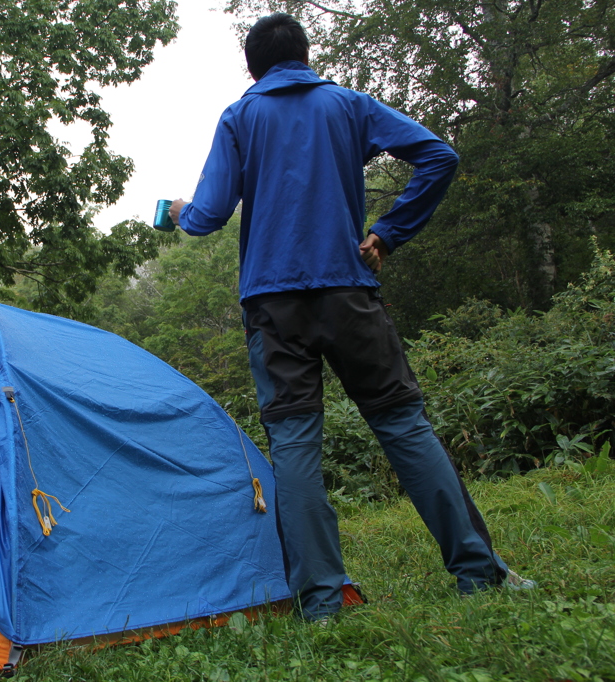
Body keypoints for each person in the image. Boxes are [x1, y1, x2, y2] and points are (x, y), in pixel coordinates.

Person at [169, 13, 535, 622]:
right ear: (305, 57)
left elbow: (207, 215)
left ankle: (321, 602)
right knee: (403, 426)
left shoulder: (239, 117)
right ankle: (477, 572)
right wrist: (389, 234)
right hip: (350, 293)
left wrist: (178, 209)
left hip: (273, 307)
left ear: (252, 68)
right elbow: (438, 157)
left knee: (293, 444)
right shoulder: (348, 106)